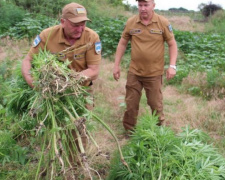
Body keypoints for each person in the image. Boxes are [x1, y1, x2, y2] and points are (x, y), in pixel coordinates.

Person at [21, 2, 101, 168]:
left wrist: (68, 81)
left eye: (83, 24)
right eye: (75, 25)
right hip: (53, 95)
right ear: (63, 21)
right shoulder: (47, 36)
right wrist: (32, 81)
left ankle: (76, 165)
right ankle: (56, 160)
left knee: (79, 130)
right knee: (55, 128)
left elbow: (93, 70)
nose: (80, 29)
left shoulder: (91, 37)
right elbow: (28, 60)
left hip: (80, 93)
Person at [113, 0, 178, 132]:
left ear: (153, 5)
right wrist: (116, 65)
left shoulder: (162, 22)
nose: (142, 8)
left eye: (146, 5)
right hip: (134, 72)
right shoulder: (131, 22)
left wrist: (172, 66)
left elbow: (172, 44)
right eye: (140, 5)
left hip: (154, 73)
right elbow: (122, 43)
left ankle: (160, 132)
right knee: (131, 104)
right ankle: (129, 132)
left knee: (156, 105)